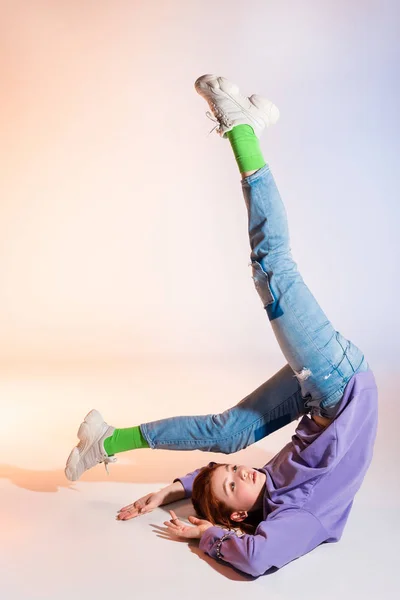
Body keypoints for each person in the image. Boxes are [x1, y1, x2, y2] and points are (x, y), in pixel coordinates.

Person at [65, 74, 378, 578]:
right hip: (339, 384)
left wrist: (176, 490)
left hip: (323, 396)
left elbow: (222, 482)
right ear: (238, 517)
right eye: (235, 484)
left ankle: (107, 439)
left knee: (227, 432)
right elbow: (256, 560)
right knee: (272, 265)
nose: (241, 472)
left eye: (232, 476)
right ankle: (243, 129)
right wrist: (200, 533)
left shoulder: (259, 489)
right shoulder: (298, 516)